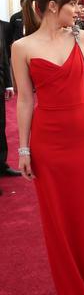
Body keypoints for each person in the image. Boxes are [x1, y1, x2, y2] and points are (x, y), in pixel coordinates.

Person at [11, 0, 84, 295]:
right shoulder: (22, 48)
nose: (78, 9)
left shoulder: (83, 38)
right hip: (48, 139)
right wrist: (23, 148)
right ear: (53, 7)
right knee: (56, 216)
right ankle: (71, 289)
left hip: (81, 134)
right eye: (73, 3)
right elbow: (25, 101)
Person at [1, 19, 20, 178]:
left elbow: (4, 56)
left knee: (1, 127)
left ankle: (1, 165)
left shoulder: (3, 26)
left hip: (0, 86)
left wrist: (8, 83)